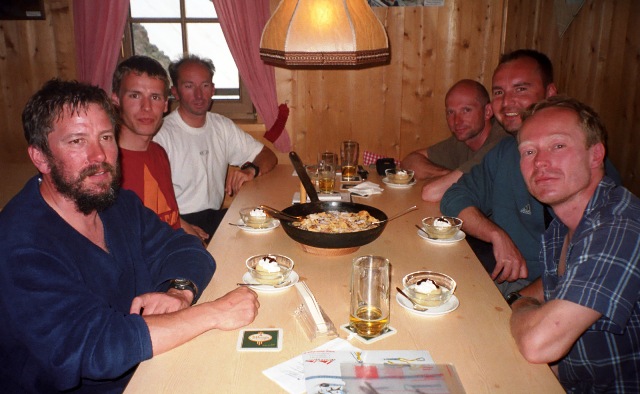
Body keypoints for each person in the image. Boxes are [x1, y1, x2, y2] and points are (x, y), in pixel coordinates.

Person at [0, 79, 259, 393]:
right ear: (40, 157)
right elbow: (94, 347)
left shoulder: (118, 204)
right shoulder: (19, 243)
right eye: (77, 141)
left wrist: (180, 291)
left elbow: (184, 246)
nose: (100, 155)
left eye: (106, 137)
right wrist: (216, 312)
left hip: (149, 365)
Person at [509, 96, 640, 392]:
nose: (540, 162)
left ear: (595, 155)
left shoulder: (621, 226)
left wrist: (519, 308)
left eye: (558, 146)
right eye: (529, 151)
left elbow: (538, 345)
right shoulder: (561, 227)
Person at [153, 55, 278, 239]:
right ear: (175, 92)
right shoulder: (161, 135)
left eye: (204, 86)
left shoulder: (221, 126)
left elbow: (268, 156)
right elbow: (149, 203)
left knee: (270, 229)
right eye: (189, 86)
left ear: (212, 89)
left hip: (215, 217)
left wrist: (251, 169)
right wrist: (182, 227)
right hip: (175, 223)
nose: (198, 95)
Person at [112, 55, 208, 242]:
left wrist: (186, 230)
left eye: (155, 97)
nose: (146, 107)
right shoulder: (106, 164)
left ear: (165, 104)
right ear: (116, 99)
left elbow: (166, 214)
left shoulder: (158, 152)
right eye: (135, 95)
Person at [401, 79, 508, 201]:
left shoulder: (500, 143)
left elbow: (431, 192)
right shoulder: (463, 140)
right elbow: (410, 161)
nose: (457, 121)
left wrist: (448, 178)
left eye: (466, 110)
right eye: (450, 112)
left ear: (487, 112)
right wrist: (446, 174)